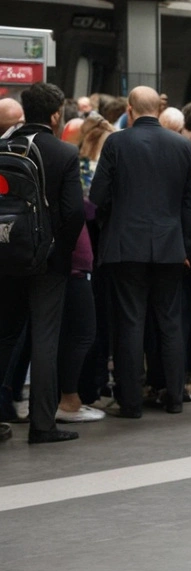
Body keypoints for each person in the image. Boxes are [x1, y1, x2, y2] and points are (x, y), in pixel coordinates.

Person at [89, 86, 191, 417]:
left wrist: (114, 221)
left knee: (130, 322)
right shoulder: (182, 145)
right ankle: (175, 398)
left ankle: (132, 402)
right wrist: (181, 241)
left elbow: (98, 197)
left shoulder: (116, 142)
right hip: (169, 245)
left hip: (125, 246)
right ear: (158, 108)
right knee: (169, 322)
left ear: (130, 108)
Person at [0, 82, 85, 443]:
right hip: (48, 263)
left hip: (7, 256)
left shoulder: (3, 147)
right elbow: (74, 213)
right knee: (45, 339)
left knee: (3, 337)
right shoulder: (63, 153)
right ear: (55, 115)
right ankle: (42, 424)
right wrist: (57, 249)